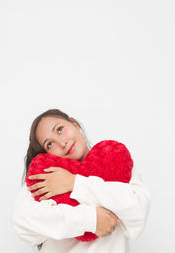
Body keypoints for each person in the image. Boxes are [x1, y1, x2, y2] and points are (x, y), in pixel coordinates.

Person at [12, 108, 151, 253]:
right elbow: (22, 222)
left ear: (74, 123)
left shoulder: (116, 162)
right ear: (46, 153)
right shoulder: (47, 177)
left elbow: (137, 211)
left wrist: (74, 183)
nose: (62, 143)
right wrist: (90, 220)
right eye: (50, 144)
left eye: (60, 129)